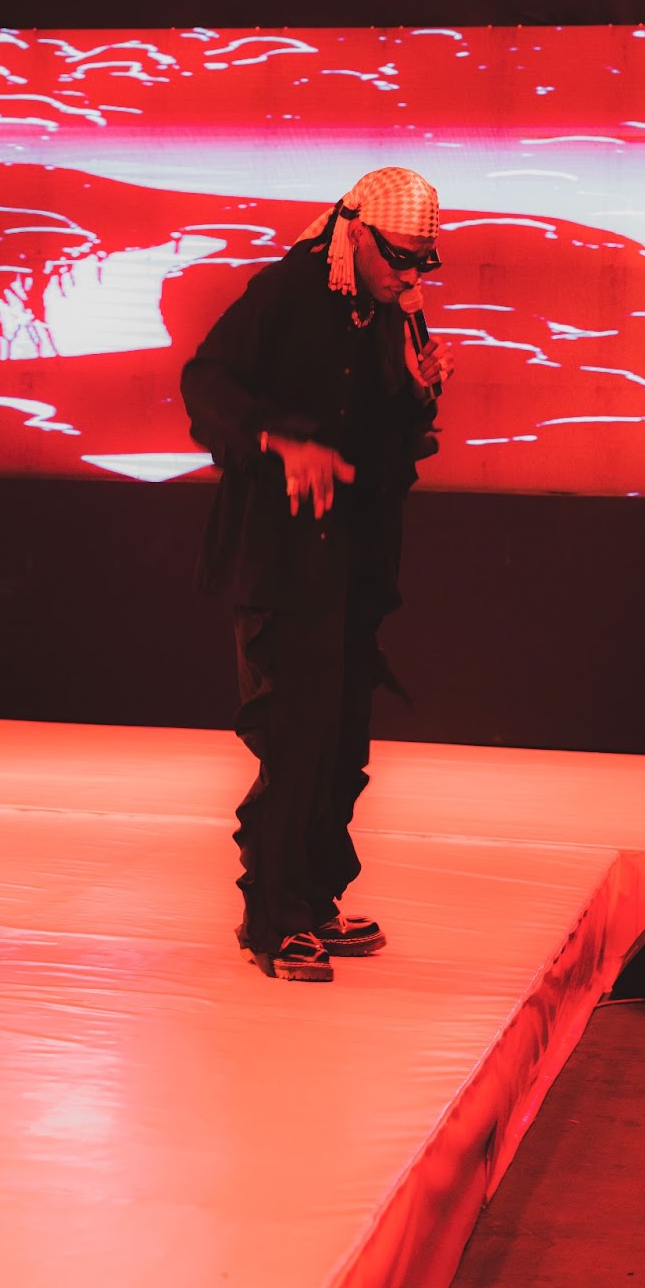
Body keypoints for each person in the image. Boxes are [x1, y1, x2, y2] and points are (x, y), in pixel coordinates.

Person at [180, 166, 453, 982]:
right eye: (400, 257)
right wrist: (280, 441)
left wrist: (417, 393)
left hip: (352, 556)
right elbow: (205, 381)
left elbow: (387, 435)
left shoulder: (384, 310)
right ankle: (273, 918)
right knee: (294, 733)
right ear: (355, 232)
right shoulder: (287, 290)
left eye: (422, 262)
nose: (410, 275)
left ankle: (316, 897)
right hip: (282, 555)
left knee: (340, 739)